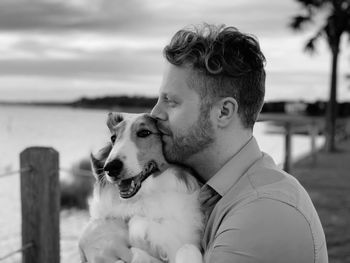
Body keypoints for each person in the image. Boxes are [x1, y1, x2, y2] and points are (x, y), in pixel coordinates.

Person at [79, 23, 328, 263]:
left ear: (223, 112)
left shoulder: (263, 212)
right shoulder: (210, 192)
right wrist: (95, 235)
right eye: (159, 99)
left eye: (171, 101)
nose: (155, 113)